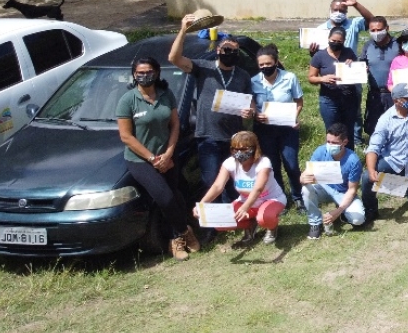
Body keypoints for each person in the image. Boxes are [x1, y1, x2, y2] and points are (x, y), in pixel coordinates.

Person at [117, 56, 199, 260]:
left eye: (149, 72)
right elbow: (126, 136)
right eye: (140, 73)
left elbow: (175, 125)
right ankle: (185, 232)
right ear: (134, 75)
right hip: (140, 160)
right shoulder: (128, 100)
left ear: (157, 73)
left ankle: (175, 240)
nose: (145, 76)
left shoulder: (166, 94)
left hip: (168, 156)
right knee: (165, 197)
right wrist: (153, 159)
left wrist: (169, 153)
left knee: (175, 196)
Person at [169, 14, 254, 208]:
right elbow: (174, 58)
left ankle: (233, 216)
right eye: (226, 50)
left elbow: (251, 104)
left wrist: (249, 112)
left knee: (233, 181)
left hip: (234, 139)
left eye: (235, 51)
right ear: (218, 50)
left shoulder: (242, 75)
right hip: (208, 136)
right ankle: (212, 224)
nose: (230, 53)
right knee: (210, 181)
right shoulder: (203, 68)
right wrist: (183, 30)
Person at [194, 131, 287, 247]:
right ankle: (250, 224)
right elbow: (218, 186)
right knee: (220, 221)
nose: (238, 153)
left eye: (243, 149)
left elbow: (258, 189)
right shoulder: (229, 164)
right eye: (235, 149)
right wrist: (202, 204)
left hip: (271, 199)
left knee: (264, 217)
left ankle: (272, 227)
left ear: (253, 148)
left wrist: (245, 208)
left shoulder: (263, 163)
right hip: (245, 201)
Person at [361, 83, 408, 219]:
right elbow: (374, 146)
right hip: (392, 161)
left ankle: (403, 187)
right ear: (396, 100)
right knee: (367, 177)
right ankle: (370, 209)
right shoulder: (385, 119)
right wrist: (372, 170)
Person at [251, 44, 304, 210]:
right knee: (273, 165)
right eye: (262, 65)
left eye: (268, 63)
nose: (265, 67)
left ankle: (298, 196)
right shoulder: (253, 82)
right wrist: (255, 114)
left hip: (287, 129)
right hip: (265, 130)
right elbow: (251, 103)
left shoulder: (290, 77)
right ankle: (281, 199)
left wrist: (293, 116)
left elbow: (299, 102)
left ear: (275, 62)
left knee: (292, 165)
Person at [300, 123, 366, 239]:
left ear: (344, 142)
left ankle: (342, 214)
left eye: (334, 143)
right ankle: (315, 223)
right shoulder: (320, 151)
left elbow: (352, 190)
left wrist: (338, 211)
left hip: (343, 193)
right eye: (328, 141)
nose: (330, 145)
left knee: (358, 220)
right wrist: (303, 178)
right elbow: (306, 173)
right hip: (323, 187)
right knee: (306, 189)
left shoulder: (353, 161)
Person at [308, 26, 360, 148]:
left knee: (348, 132)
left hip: (349, 99)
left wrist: (355, 65)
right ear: (328, 39)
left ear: (344, 41)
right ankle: (333, 159)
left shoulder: (349, 53)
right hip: (329, 100)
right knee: (333, 131)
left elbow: (358, 72)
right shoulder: (319, 56)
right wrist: (322, 79)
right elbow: (311, 77)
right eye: (333, 40)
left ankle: (349, 159)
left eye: (339, 42)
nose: (335, 43)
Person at [361, 16, 399, 137]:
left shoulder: (398, 45)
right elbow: (362, 63)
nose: (376, 33)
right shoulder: (368, 46)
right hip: (374, 94)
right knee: (374, 127)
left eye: (379, 29)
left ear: (387, 28)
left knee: (395, 126)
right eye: (373, 30)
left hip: (395, 94)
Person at [307, 0, 375, 55]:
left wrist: (356, 5)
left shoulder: (354, 24)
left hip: (349, 63)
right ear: (330, 10)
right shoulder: (320, 29)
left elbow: (372, 20)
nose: (338, 13)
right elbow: (317, 55)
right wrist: (313, 52)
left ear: (346, 12)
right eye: (335, 10)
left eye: (342, 11)